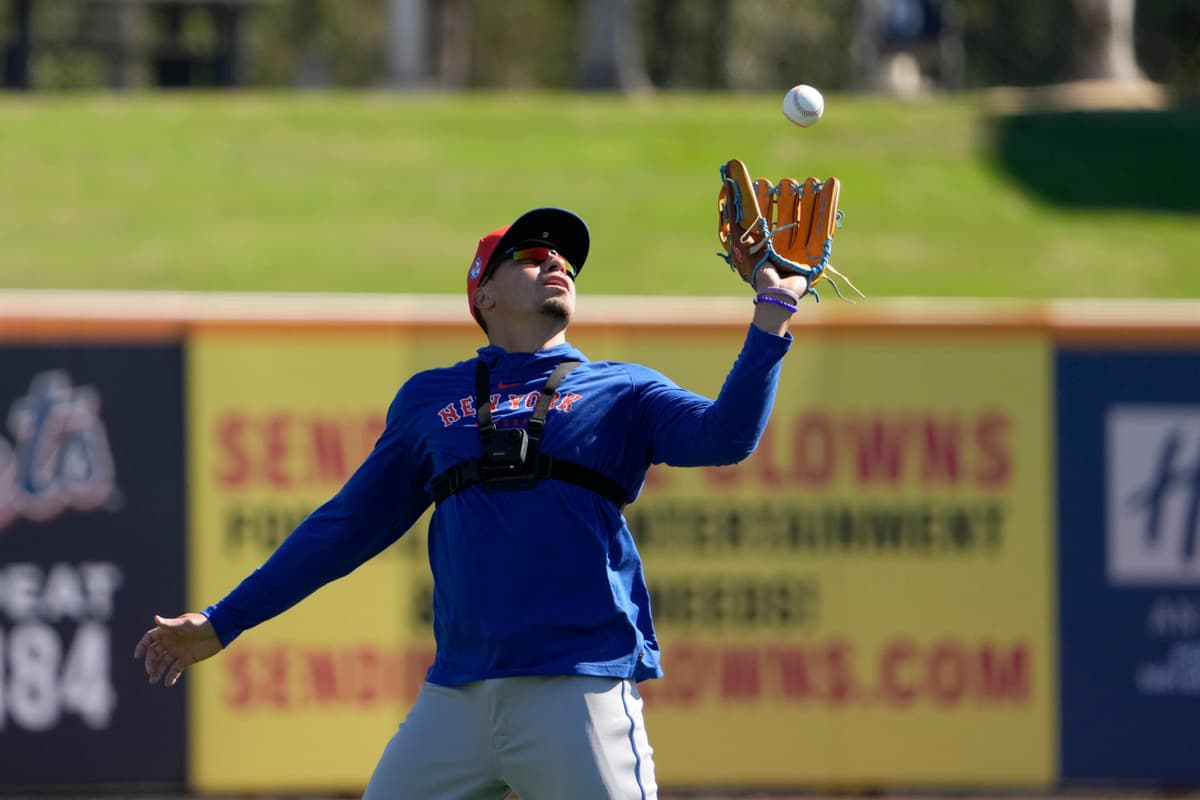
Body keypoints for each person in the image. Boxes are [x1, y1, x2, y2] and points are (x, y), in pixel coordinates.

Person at [134, 206, 811, 799]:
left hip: (575, 689)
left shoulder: (623, 389)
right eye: (532, 254)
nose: (556, 262)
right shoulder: (430, 399)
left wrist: (773, 311)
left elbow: (726, 436)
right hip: (457, 697)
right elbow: (344, 528)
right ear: (482, 292)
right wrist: (225, 621)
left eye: (565, 259)